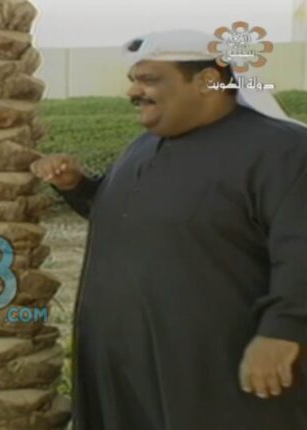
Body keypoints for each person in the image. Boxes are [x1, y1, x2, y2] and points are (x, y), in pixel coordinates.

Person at [31, 30, 307, 429]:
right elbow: (134, 217)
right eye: (133, 80)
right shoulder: (143, 146)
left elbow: (299, 249)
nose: (133, 91)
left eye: (149, 79)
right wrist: (78, 186)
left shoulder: (283, 150)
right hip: (124, 368)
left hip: (218, 372)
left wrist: (282, 333)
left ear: (208, 80)